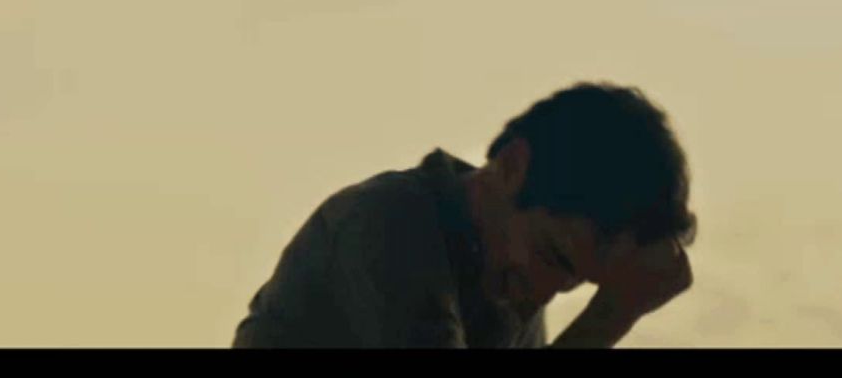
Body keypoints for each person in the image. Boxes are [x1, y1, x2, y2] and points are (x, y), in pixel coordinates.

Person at [232, 81, 697, 348]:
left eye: (577, 280)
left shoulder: (505, 286)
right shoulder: (390, 228)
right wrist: (612, 315)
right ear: (512, 166)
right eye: (553, 256)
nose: (547, 291)